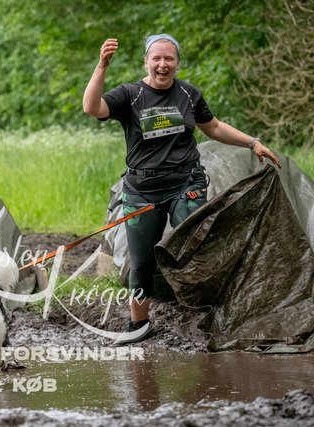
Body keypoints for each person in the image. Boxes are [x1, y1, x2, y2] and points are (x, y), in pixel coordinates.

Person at [83, 34, 281, 345]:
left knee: (199, 248)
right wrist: (101, 66)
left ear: (177, 64)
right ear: (146, 63)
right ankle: (138, 325)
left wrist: (253, 142)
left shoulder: (188, 94)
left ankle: (217, 317)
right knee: (141, 263)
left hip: (186, 184)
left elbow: (213, 127)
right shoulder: (130, 95)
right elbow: (91, 107)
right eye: (156, 58)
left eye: (169, 58)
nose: (162, 64)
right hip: (141, 190)